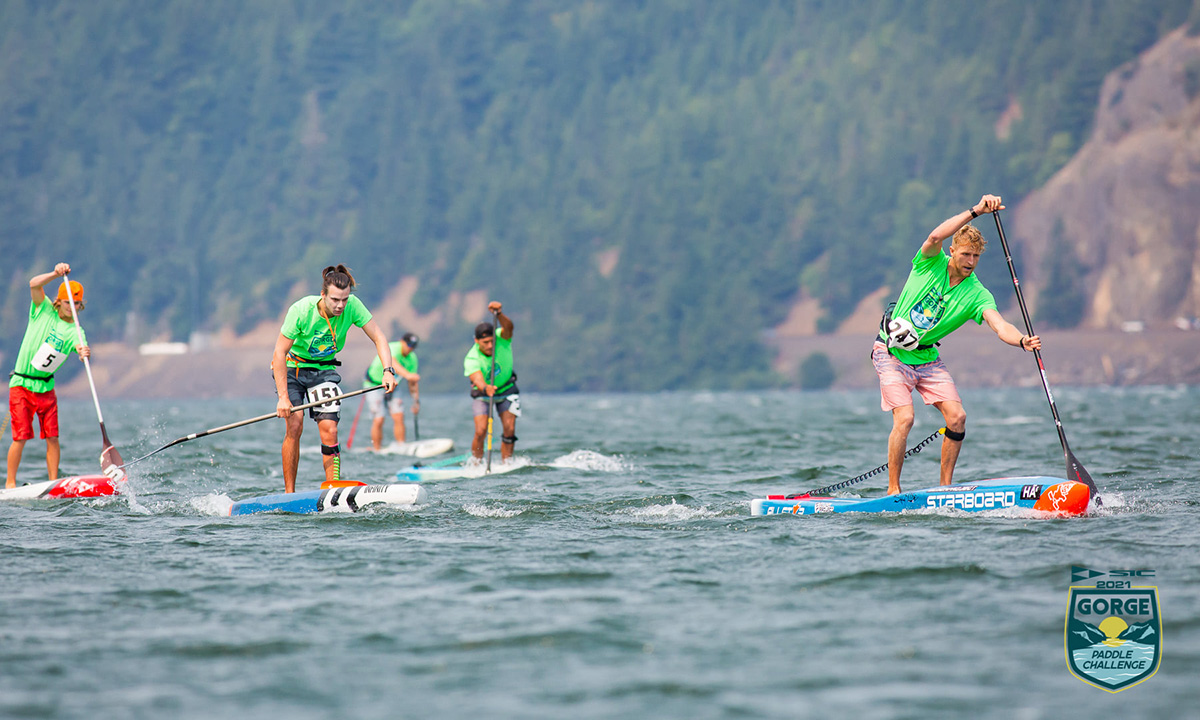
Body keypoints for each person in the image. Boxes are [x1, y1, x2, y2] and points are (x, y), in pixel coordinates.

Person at [872, 194, 1041, 494]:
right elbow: (935, 234)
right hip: (891, 353)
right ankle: (893, 490)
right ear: (952, 251)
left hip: (926, 358)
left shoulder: (977, 293)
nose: (970, 262)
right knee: (906, 418)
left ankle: (945, 489)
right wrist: (976, 211)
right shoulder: (929, 263)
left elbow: (999, 324)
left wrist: (1021, 340)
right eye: (965, 255)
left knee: (958, 417)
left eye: (976, 257)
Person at [272, 265, 397, 492]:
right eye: (335, 300)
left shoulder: (353, 306)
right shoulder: (301, 310)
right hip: (293, 369)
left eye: (345, 300)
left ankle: (333, 489)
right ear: (323, 295)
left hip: (324, 370)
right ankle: (289, 493)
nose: (340, 305)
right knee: (295, 424)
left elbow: (379, 337)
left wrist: (388, 370)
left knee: (330, 429)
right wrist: (283, 398)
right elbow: (279, 353)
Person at [7, 264, 91, 488]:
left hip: (46, 388)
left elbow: (80, 347)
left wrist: (83, 353)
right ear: (59, 301)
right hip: (21, 384)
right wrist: (55, 274)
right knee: (21, 437)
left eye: (76, 304)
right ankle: (10, 484)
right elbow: (33, 284)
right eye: (67, 303)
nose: (71, 308)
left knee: (53, 437)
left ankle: (53, 483)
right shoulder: (42, 308)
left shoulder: (76, 329)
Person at [464, 301, 520, 462]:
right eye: (485, 343)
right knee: (481, 431)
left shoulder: (502, 338)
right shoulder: (471, 357)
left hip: (507, 388)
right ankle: (476, 464)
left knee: (509, 429)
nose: (490, 345)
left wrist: (499, 314)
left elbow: (509, 328)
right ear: (476, 341)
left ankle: (506, 463)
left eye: (491, 341)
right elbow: (476, 378)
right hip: (484, 393)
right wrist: (486, 387)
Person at [362, 332, 421, 451]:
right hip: (374, 385)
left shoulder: (412, 358)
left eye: (413, 346)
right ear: (402, 342)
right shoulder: (393, 348)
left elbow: (412, 382)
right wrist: (408, 375)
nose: (410, 348)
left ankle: (401, 445)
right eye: (409, 345)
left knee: (399, 415)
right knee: (379, 418)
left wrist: (415, 401)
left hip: (393, 385)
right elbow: (392, 363)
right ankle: (377, 449)